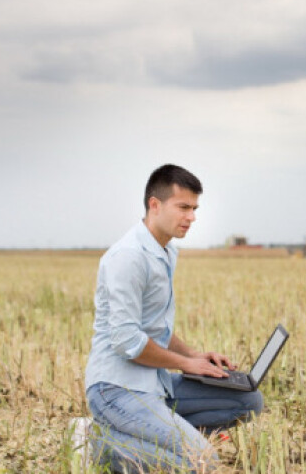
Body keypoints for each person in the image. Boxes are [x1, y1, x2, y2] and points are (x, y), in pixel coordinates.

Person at [84, 164, 263, 473]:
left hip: (155, 383)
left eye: (194, 208)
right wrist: (185, 364)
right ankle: (99, 445)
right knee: (200, 462)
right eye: (183, 207)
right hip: (115, 389)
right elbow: (127, 339)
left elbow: (154, 327)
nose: (191, 217)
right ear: (155, 205)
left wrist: (194, 355)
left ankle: (150, 438)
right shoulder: (128, 257)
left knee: (248, 401)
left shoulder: (166, 252)